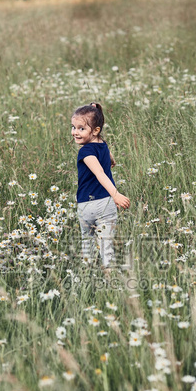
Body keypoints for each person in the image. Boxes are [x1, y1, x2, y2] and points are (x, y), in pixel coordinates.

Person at [72, 102, 130, 270]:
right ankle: (110, 274)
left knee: (87, 243)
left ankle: (87, 274)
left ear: (95, 130)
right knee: (107, 246)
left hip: (86, 205)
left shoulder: (85, 151)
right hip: (105, 205)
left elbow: (99, 174)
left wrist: (116, 194)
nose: (75, 132)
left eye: (81, 128)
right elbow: (109, 157)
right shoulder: (102, 144)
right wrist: (112, 161)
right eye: (74, 127)